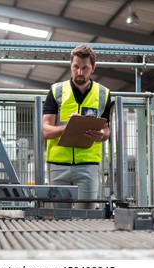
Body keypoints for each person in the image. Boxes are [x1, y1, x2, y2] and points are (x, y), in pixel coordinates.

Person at [42, 44, 112, 210]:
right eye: (76, 67)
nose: (79, 72)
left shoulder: (103, 94)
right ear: (70, 65)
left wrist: (101, 134)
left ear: (93, 68)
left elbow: (107, 130)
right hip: (58, 165)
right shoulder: (56, 91)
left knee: (86, 217)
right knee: (59, 218)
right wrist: (69, 128)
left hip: (88, 166)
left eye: (85, 68)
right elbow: (46, 130)